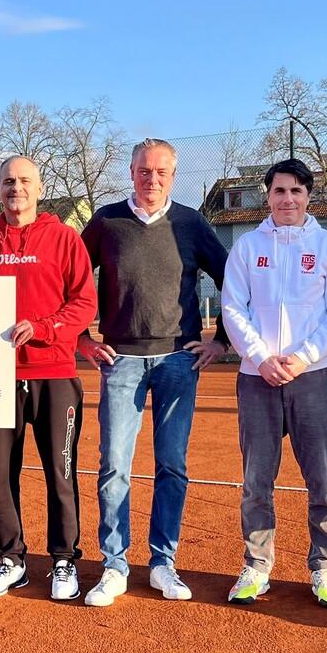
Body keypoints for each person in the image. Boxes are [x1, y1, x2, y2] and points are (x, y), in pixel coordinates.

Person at [77, 138, 231, 607]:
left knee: (172, 466)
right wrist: (82, 336)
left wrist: (221, 338)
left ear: (174, 174)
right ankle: (115, 564)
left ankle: (163, 562)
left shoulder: (190, 222)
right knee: (114, 467)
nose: (152, 179)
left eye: (161, 172)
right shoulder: (105, 221)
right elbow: (74, 278)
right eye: (144, 171)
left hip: (177, 362)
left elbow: (232, 276)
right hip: (120, 359)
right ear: (131, 171)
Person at [0, 156, 98, 600]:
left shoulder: (65, 238)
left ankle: (63, 560)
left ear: (39, 187)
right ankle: (10, 559)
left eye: (24, 181)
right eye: (8, 181)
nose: (16, 188)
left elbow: (84, 303)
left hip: (54, 372)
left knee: (61, 469)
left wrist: (45, 327)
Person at [219, 158, 327, 607]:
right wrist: (259, 358)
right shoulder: (246, 248)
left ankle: (325, 568)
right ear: (267, 195)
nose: (288, 200)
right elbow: (233, 308)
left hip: (312, 378)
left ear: (308, 196)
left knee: (323, 481)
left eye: (296, 192)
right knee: (257, 480)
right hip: (256, 380)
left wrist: (303, 357)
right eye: (279, 191)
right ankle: (257, 567)